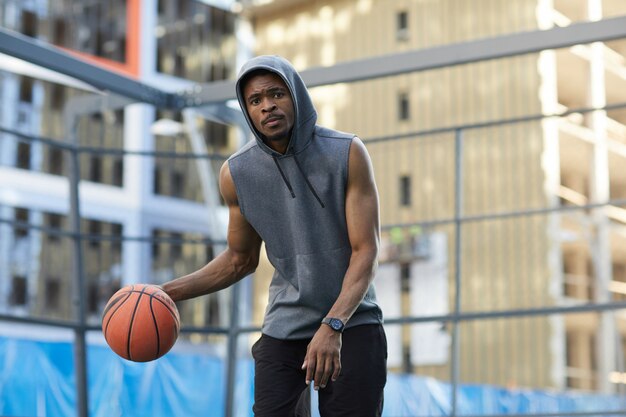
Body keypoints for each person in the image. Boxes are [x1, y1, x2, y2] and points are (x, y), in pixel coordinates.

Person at [161, 55, 387, 417]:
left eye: (276, 94)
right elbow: (240, 259)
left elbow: (366, 252)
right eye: (255, 100)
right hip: (286, 325)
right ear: (248, 110)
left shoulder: (346, 153)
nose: (267, 105)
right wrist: (165, 293)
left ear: (295, 95)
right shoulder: (237, 173)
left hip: (352, 321)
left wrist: (333, 324)